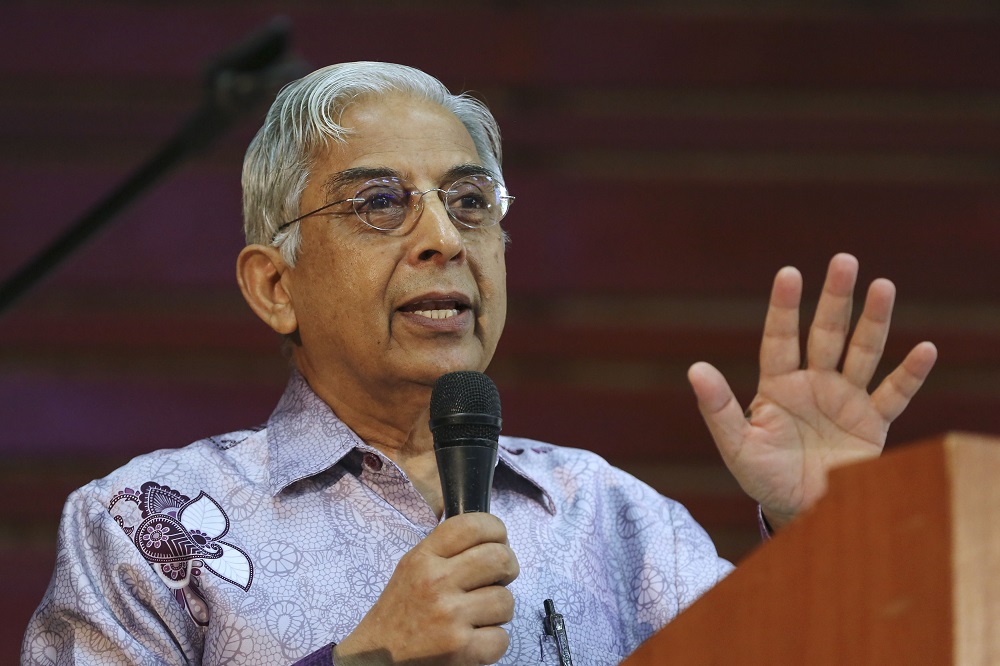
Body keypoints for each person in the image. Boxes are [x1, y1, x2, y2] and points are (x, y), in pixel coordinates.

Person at [22, 62, 938, 666]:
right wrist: (363, 660)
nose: (441, 238)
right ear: (274, 285)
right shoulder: (146, 524)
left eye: (469, 202)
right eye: (380, 203)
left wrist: (829, 539)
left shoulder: (612, 520)